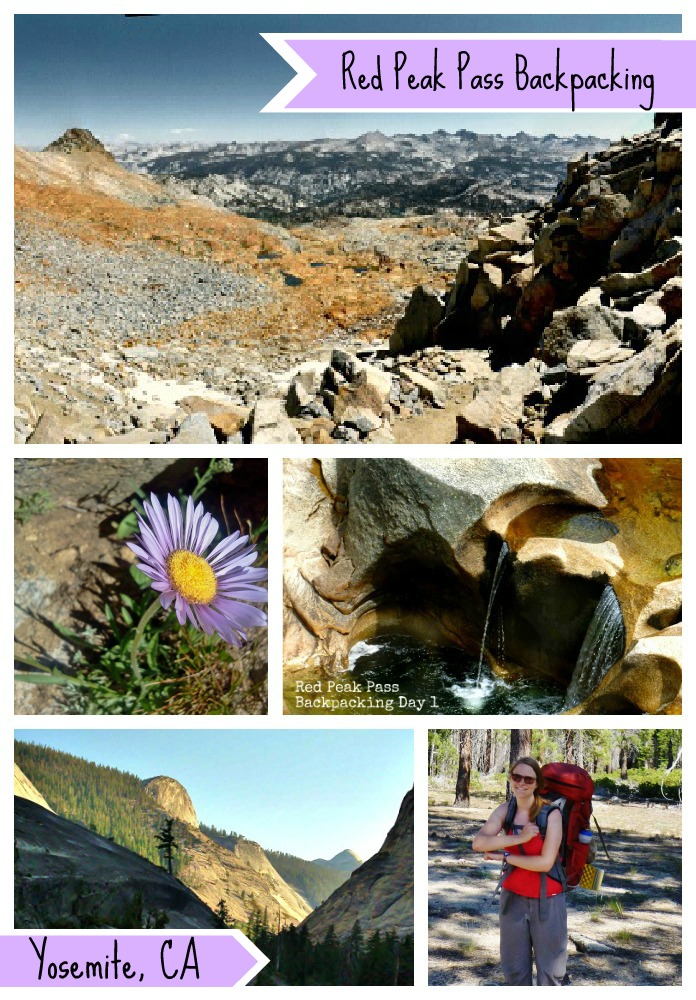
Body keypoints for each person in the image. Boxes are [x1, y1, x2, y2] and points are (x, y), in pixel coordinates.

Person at [472, 757, 568, 986]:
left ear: (537, 784)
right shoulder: (506, 809)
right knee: (514, 972)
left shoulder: (550, 814)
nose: (521, 783)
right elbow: (478, 843)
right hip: (512, 899)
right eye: (517, 777)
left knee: (551, 974)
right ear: (510, 780)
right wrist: (519, 838)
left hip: (548, 901)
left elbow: (545, 863)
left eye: (528, 779)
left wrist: (504, 854)